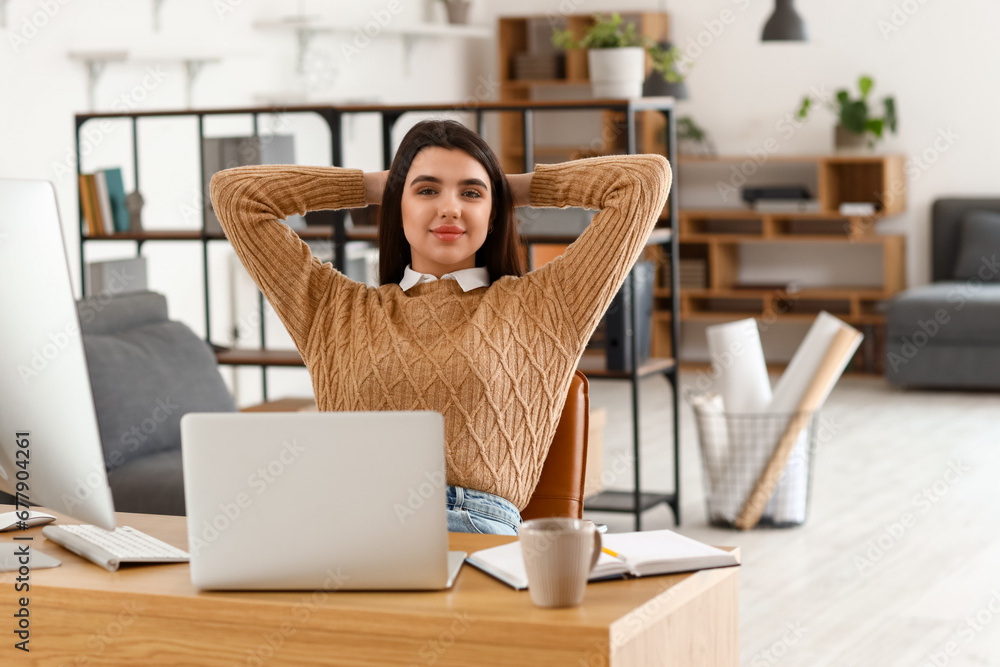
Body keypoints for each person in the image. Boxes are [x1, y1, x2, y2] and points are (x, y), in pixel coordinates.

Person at [210, 119, 672, 536]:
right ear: (398, 208)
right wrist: (375, 187)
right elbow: (236, 193)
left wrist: (511, 187)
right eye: (427, 191)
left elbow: (644, 181)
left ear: (493, 216)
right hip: (354, 529)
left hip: (474, 528)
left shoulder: (547, 306)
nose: (450, 208)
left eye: (470, 193)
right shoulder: (333, 311)